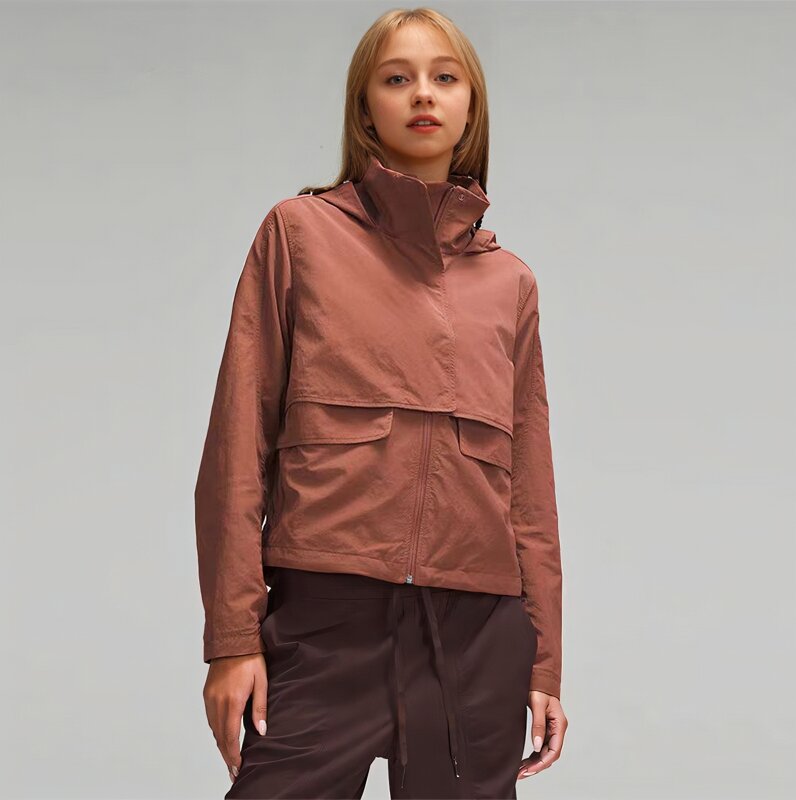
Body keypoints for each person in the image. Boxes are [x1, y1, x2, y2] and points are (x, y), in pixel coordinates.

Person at [194, 7, 568, 799]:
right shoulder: (299, 235)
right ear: (365, 108)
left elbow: (530, 494)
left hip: (477, 636)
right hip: (325, 621)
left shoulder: (511, 284)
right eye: (397, 78)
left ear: (470, 106)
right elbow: (236, 449)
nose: (422, 94)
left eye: (445, 77)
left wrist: (543, 665)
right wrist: (231, 640)